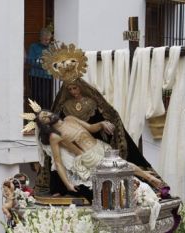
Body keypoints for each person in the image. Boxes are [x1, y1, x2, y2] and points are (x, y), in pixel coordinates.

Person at [28, 107, 163, 196]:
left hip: (100, 146)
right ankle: (150, 179)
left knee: (123, 171)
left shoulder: (70, 118)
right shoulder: (54, 136)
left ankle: (147, 188)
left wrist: (102, 124)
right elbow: (57, 162)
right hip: (89, 156)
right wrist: (67, 184)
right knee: (121, 166)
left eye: (46, 113)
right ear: (44, 125)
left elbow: (91, 128)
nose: (47, 116)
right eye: (44, 118)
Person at [26, 28, 53, 109]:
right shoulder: (34, 47)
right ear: (40, 38)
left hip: (48, 77)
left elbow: (53, 61)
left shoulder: (51, 48)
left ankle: (46, 116)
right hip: (35, 76)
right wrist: (43, 64)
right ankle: (36, 117)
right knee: (36, 97)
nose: (47, 42)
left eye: (48, 40)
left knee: (47, 98)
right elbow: (30, 60)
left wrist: (43, 62)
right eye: (45, 40)